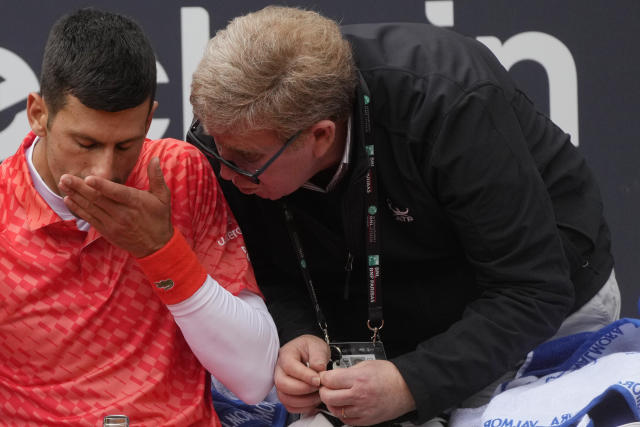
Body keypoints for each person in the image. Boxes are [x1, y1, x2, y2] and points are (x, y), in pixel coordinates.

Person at [188, 6, 620, 426]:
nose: (224, 172)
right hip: (382, 325)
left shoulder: (450, 102)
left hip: (540, 314)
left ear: (320, 136)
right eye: (214, 148)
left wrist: (413, 382)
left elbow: (531, 289)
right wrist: (297, 333)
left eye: (243, 160)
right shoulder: (232, 132)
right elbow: (261, 261)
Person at [0, 8, 279, 426]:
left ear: (150, 118)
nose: (104, 172)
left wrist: (160, 250)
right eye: (85, 143)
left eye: (126, 145)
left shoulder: (178, 172)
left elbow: (254, 377)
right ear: (38, 113)